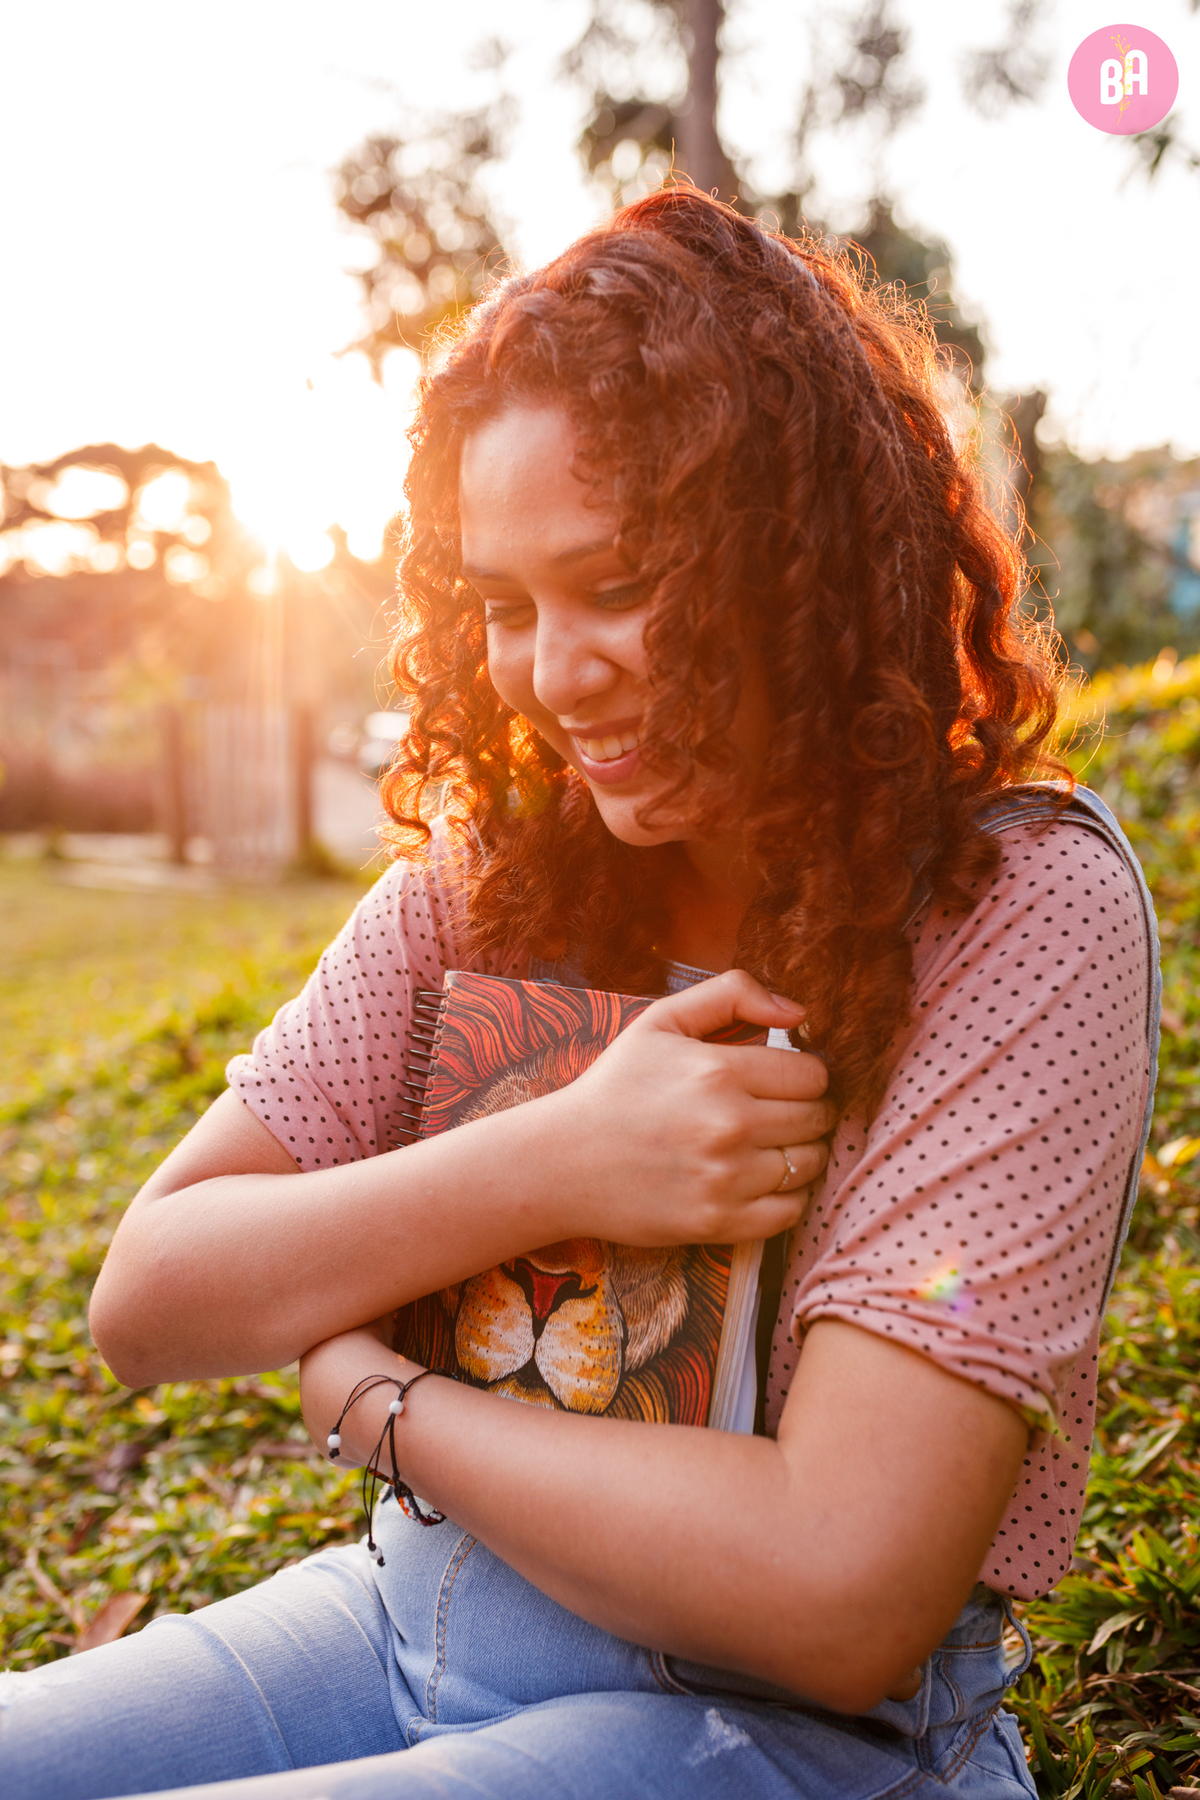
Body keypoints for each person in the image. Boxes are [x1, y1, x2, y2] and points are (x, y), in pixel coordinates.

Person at [0, 187, 1158, 1800]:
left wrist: (379, 1397)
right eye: (507, 605)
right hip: (404, 1627)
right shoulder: (500, 871)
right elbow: (153, 1293)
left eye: (619, 583)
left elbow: (842, 1588)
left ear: (799, 558)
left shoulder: (1015, 911)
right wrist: (557, 1159)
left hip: (794, 1739)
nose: (554, 673)